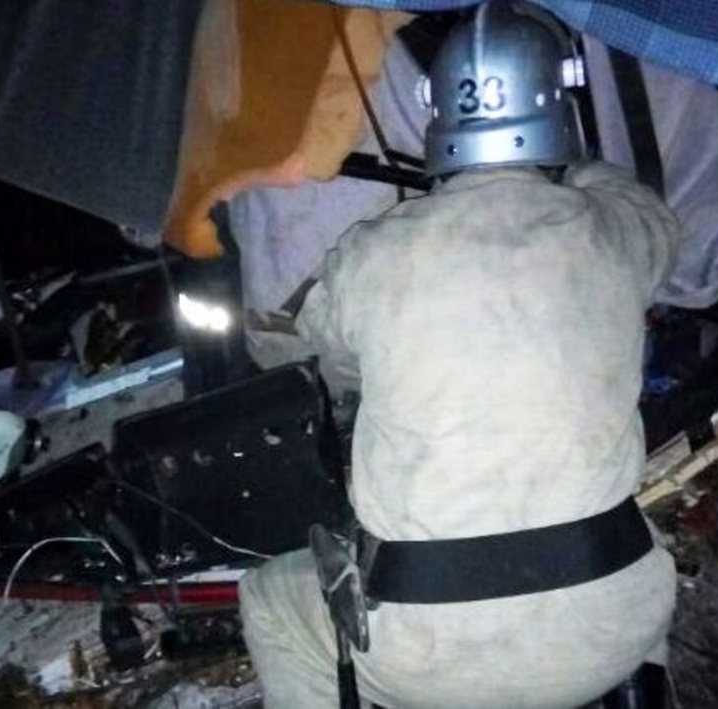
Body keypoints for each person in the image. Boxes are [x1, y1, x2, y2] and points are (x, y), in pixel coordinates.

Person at [239, 2, 679, 707]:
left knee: (267, 598)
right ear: (560, 99)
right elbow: (653, 220)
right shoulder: (613, 229)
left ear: (437, 111)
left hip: (429, 661)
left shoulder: (374, 251)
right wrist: (583, 177)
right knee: (631, 534)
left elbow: (331, 360)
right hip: (614, 631)